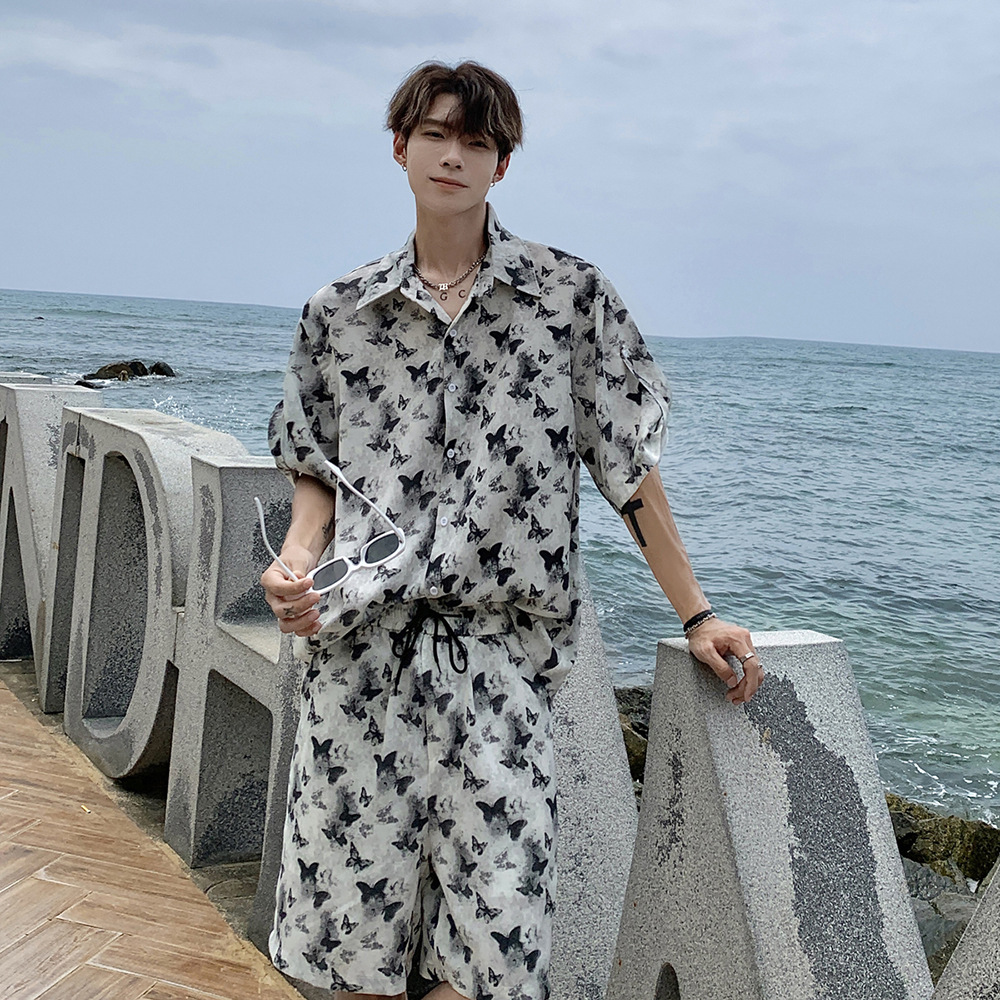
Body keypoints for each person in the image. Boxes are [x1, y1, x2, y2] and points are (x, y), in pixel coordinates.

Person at [261, 60, 763, 1000]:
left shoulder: (569, 299)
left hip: (501, 666)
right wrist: (295, 566)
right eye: (435, 135)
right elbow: (315, 473)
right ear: (400, 148)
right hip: (359, 662)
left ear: (502, 164)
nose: (453, 156)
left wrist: (697, 615)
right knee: (352, 955)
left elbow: (627, 469)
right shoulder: (338, 313)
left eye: (477, 141)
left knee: (491, 955)